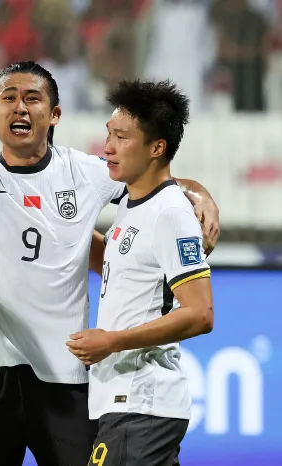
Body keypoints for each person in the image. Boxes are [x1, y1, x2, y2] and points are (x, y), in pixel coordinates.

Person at [0, 34, 220, 466]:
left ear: (54, 115)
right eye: (8, 98)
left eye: (32, 99)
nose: (20, 107)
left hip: (65, 379)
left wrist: (198, 193)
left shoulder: (86, 173)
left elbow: (154, 178)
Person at [67, 80, 214, 466]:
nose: (108, 147)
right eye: (108, 134)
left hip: (141, 401)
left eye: (122, 137)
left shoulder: (170, 213)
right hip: (124, 402)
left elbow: (200, 313)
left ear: (156, 148)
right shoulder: (132, 203)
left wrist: (112, 341)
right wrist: (66, 228)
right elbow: (124, 267)